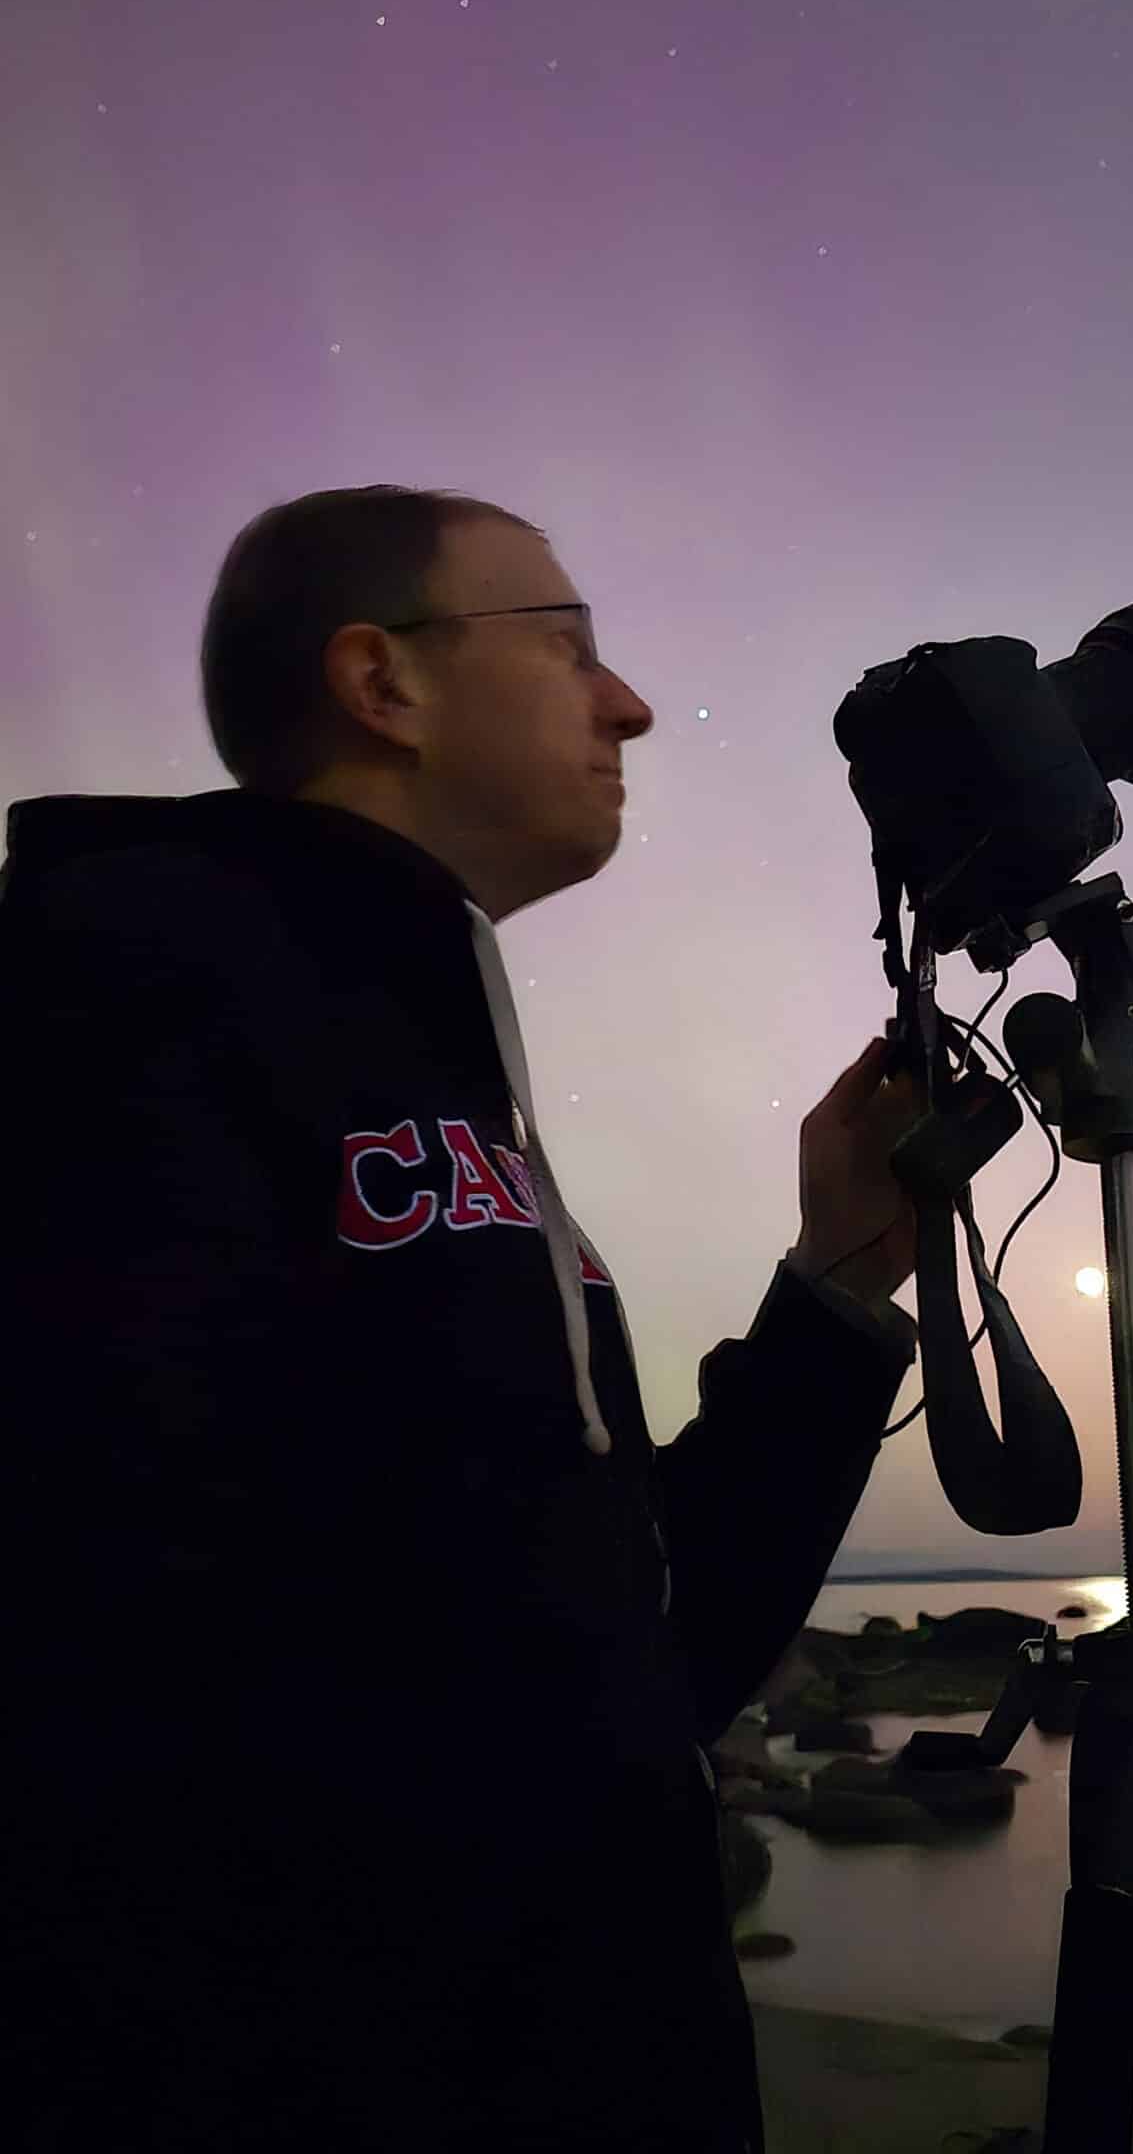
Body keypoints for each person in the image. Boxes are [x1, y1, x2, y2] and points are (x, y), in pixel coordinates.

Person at [0, 485, 925, 2153]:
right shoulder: (107, 985)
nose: (629, 701)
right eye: (566, 645)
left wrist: (840, 1286)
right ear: (384, 684)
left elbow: (634, 1661)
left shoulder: (444, 1087)